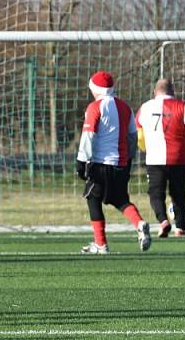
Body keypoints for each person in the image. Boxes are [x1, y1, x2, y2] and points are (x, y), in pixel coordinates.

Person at [76, 71, 151, 254]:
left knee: (92, 199)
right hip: (121, 164)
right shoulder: (126, 107)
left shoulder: (95, 107)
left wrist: (81, 161)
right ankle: (139, 223)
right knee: (120, 199)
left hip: (100, 164)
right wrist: (129, 159)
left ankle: (101, 244)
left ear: (96, 89)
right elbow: (133, 136)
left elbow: (88, 136)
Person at [135, 78, 185, 237]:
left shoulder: (145, 107)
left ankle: (163, 220)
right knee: (178, 193)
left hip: (154, 158)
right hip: (178, 158)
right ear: (173, 92)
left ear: (155, 92)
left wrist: (143, 146)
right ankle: (180, 228)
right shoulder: (182, 106)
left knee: (156, 192)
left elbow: (139, 132)